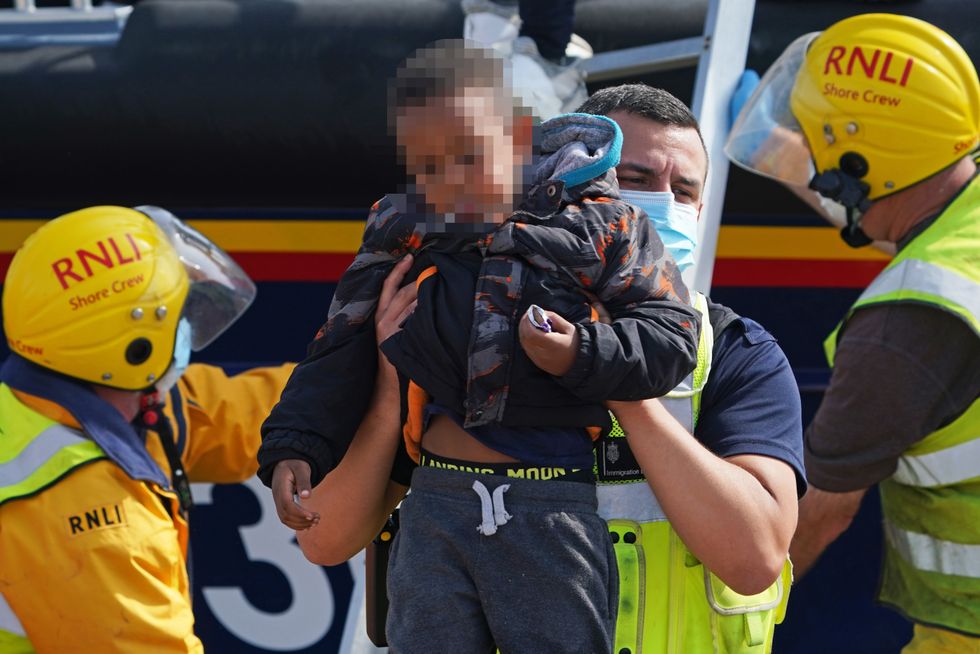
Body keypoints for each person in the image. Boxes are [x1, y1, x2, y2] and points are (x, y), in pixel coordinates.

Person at [288, 82, 806, 654]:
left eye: (683, 190)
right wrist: (393, 383)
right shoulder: (468, 325)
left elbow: (755, 559)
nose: (663, 204)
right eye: (633, 180)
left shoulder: (735, 352)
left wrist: (612, 370)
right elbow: (326, 537)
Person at [726, 13, 980, 652]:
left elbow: (820, 514)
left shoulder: (904, 323)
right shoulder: (960, 232)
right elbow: (913, 214)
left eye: (819, 151)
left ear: (863, 161)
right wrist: (788, 155)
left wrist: (726, 625)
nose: (811, 167)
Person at [0, 205, 294, 653]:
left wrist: (370, 371)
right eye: (179, 316)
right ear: (136, 350)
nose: (186, 330)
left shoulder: (59, 400)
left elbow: (238, 414)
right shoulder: (100, 528)